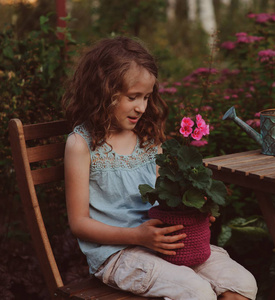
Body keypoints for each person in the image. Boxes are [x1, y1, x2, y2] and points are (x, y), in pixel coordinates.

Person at [62, 36, 257, 300]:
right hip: (117, 254)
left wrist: (194, 211)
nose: (141, 107)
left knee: (242, 284)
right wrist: (139, 236)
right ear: (103, 91)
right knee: (196, 293)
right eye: (133, 97)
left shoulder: (148, 138)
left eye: (146, 97)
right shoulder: (80, 144)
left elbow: (166, 198)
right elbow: (79, 224)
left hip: (164, 242)